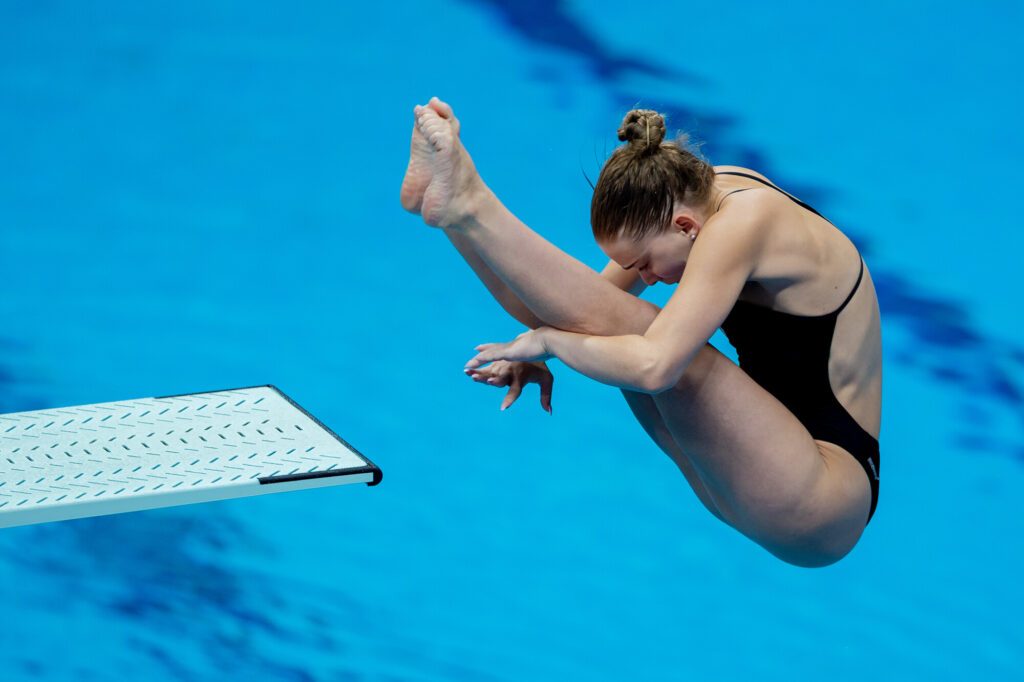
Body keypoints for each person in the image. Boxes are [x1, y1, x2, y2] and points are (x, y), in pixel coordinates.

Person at [400, 97, 882, 568]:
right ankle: (450, 215)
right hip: (763, 467)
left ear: (686, 225)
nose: (646, 278)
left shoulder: (746, 221)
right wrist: (542, 343)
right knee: (602, 321)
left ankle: (472, 205)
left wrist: (550, 344)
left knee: (650, 339)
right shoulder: (699, 196)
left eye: (646, 263)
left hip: (822, 498)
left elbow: (656, 368)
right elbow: (576, 306)